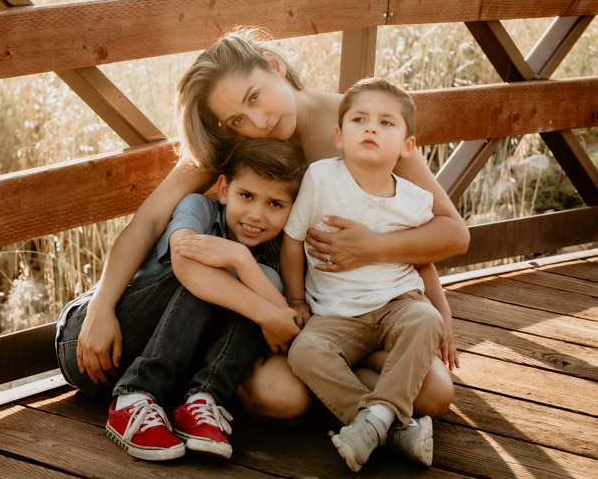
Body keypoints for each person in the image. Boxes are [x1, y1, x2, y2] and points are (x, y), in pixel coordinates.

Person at [63, 29, 468, 426]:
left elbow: (451, 231)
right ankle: (332, 396)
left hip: (365, 307)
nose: (259, 121)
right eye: (238, 118)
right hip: (289, 311)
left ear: (274, 66)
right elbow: (151, 217)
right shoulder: (240, 141)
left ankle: (367, 410)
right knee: (280, 396)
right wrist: (101, 306)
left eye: (254, 96)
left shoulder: (360, 123)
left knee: (434, 394)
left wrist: (376, 250)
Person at [57, 138, 306, 461]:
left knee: (259, 282)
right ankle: (133, 396)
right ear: (223, 189)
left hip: (169, 382)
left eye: (275, 204)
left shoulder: (275, 258)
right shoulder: (197, 207)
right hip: (93, 341)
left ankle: (202, 401)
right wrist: (241, 269)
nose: (257, 215)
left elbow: (283, 320)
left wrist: (243, 259)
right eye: (246, 196)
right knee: (207, 270)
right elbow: (186, 261)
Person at [281, 78, 457, 471]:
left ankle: (372, 424)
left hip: (399, 303)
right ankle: (386, 424)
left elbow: (422, 260)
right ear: (339, 136)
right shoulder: (321, 178)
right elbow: (293, 241)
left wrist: (442, 313)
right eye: (359, 119)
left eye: (386, 122)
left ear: (407, 146)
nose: (371, 128)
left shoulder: (415, 200)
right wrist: (295, 299)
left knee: (427, 320)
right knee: (305, 352)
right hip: (335, 312)